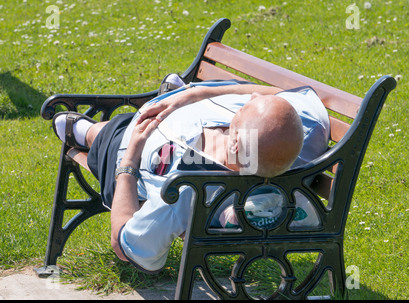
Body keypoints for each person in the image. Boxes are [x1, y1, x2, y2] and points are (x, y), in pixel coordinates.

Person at [52, 77, 330, 273]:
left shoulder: (187, 186)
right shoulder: (304, 123)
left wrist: (131, 158)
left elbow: (126, 245)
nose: (253, 97)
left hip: (129, 153)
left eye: (243, 108)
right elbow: (279, 92)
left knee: (111, 135)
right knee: (135, 123)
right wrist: (195, 94)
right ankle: (159, 99)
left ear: (235, 144)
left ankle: (90, 134)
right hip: (179, 115)